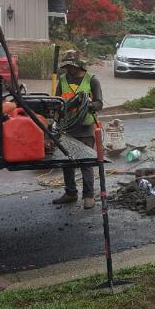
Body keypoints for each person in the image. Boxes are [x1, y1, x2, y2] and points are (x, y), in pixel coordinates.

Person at [51, 50, 103, 209]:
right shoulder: (62, 79)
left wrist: (87, 105)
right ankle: (71, 192)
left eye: (71, 66)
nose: (69, 70)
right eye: (66, 66)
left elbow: (99, 103)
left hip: (85, 128)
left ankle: (88, 196)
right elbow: (57, 102)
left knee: (85, 162)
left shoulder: (92, 80)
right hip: (67, 128)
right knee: (67, 162)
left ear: (79, 64)